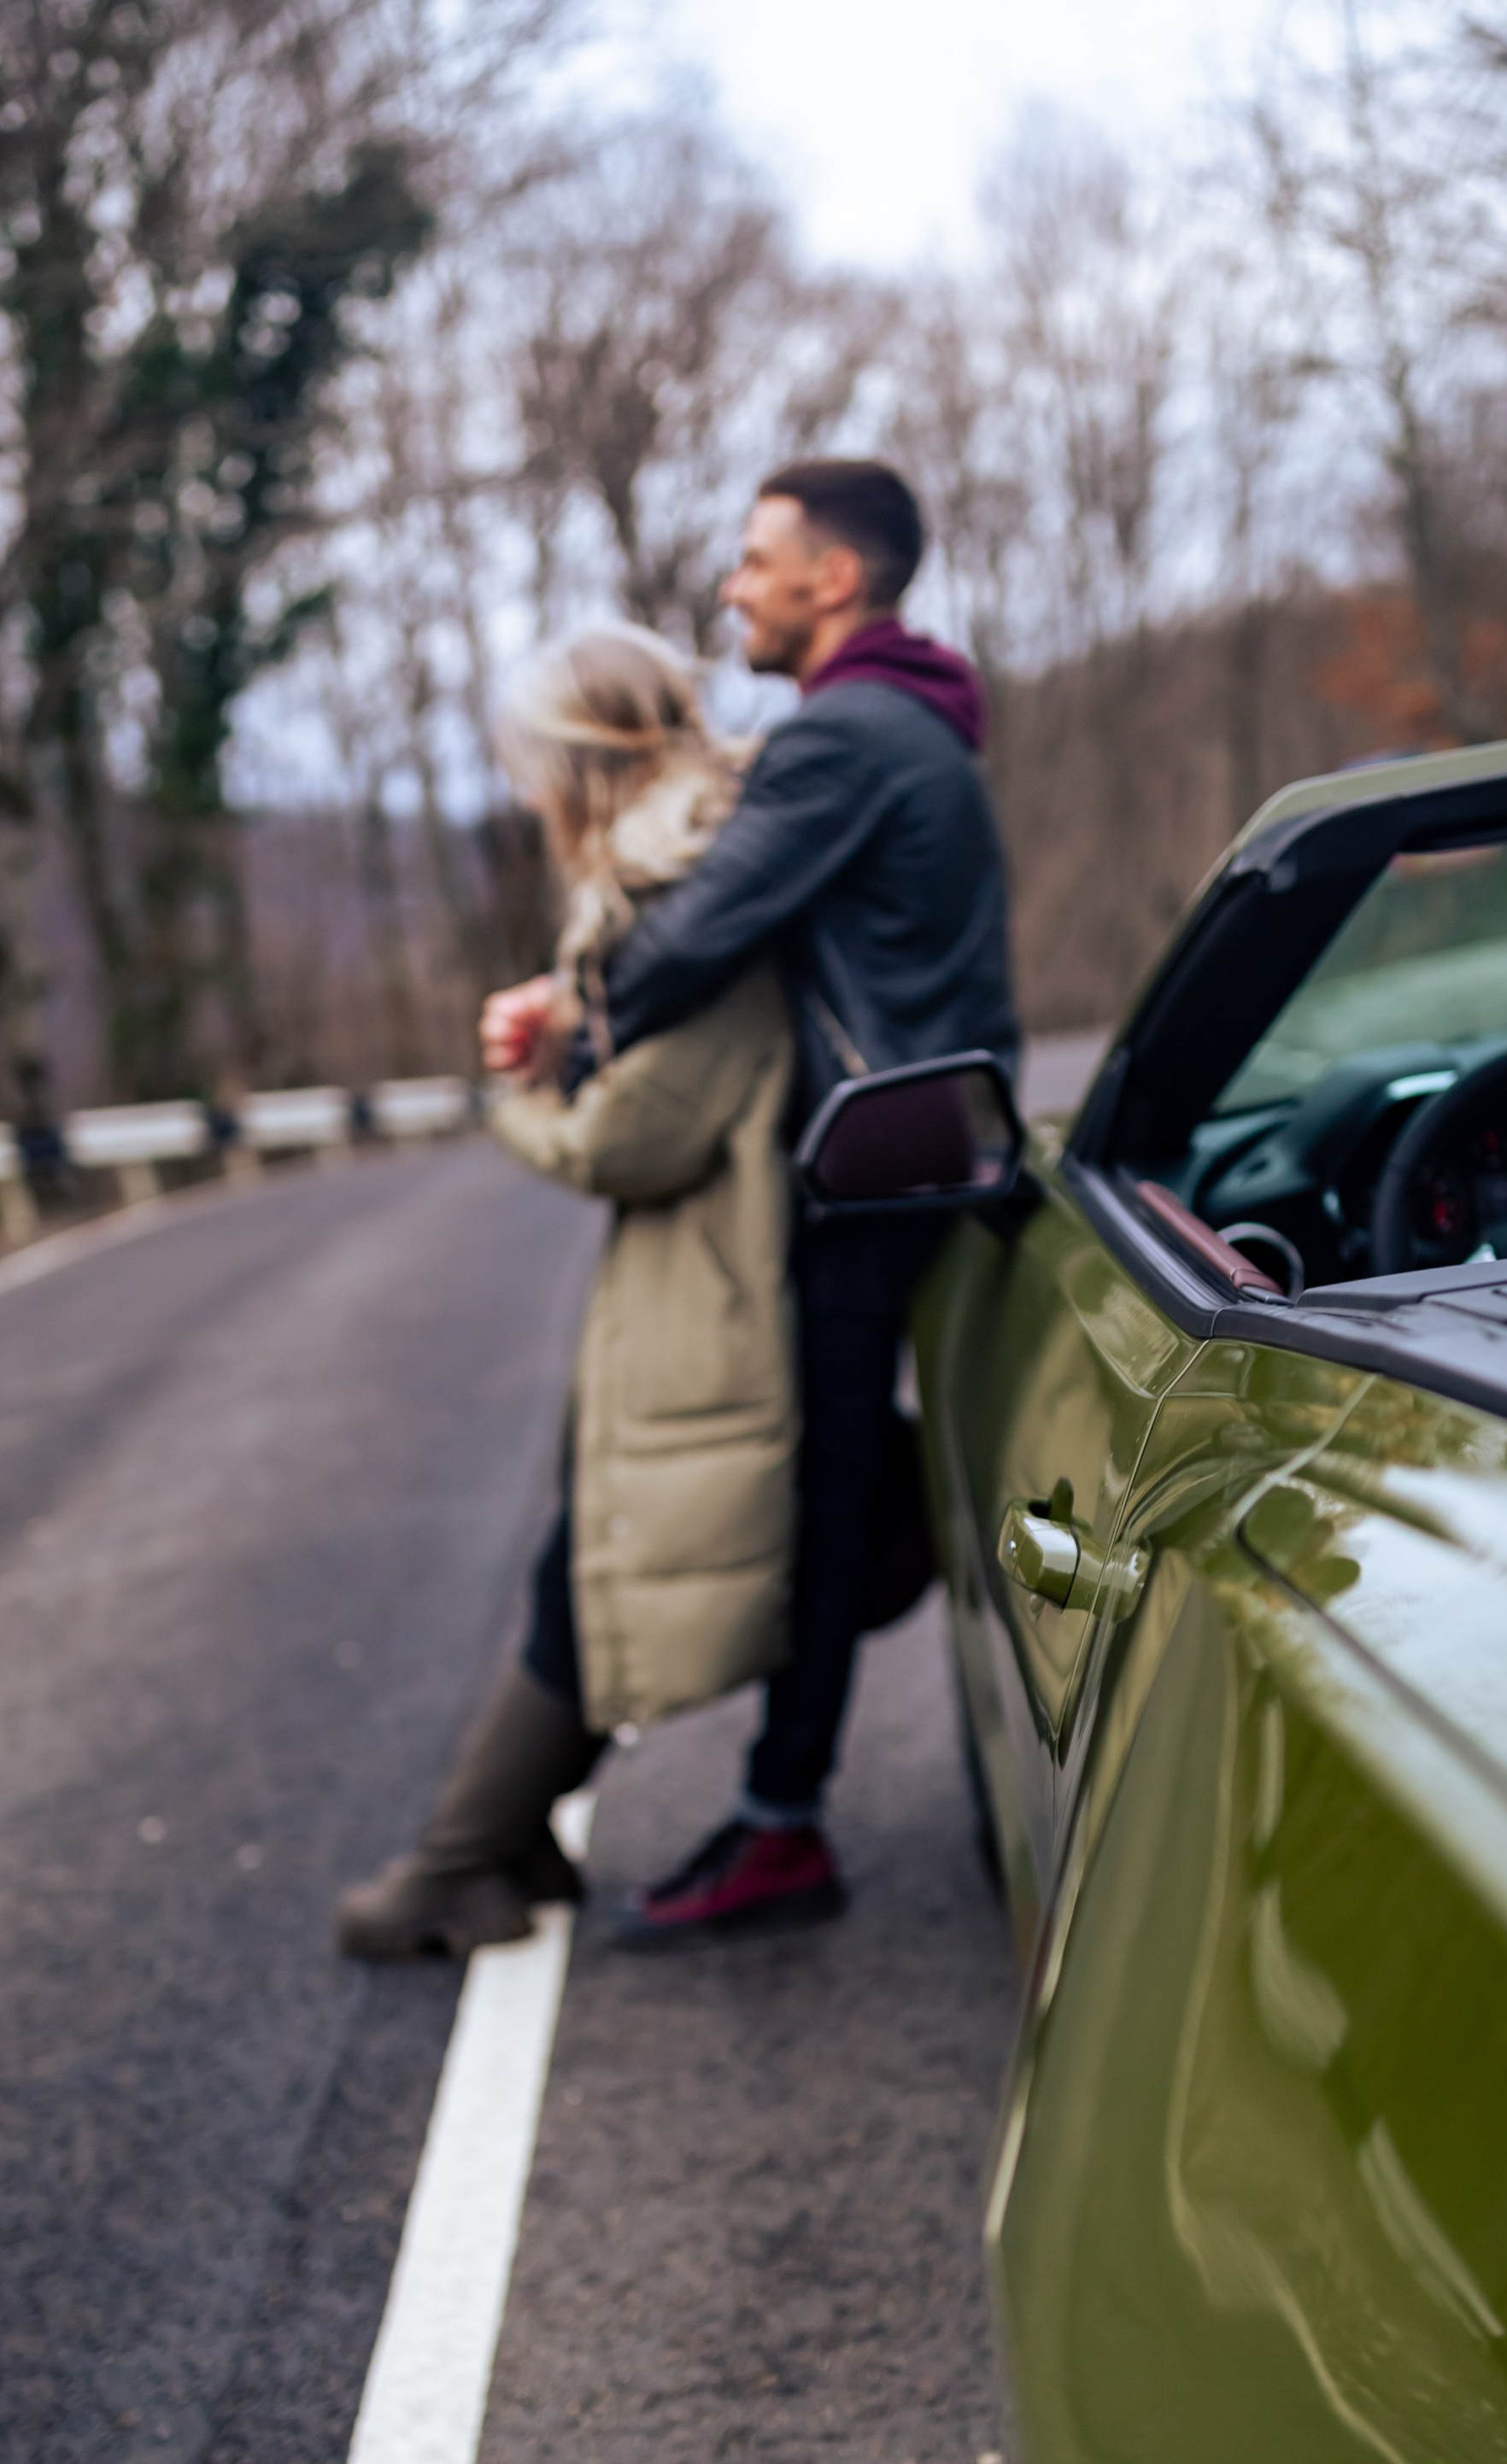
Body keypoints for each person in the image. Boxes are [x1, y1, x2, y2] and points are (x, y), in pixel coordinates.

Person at [481, 457, 1019, 1942]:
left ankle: (784, 1826)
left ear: (832, 580)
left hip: (864, 1164)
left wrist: (560, 1037)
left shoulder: (841, 740)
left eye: (754, 560)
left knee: (827, 1483)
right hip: (923, 1139)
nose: (733, 586)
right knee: (843, 1472)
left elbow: (697, 939)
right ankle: (779, 1802)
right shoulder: (915, 718)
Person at [335, 627, 801, 1962]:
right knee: (596, 1542)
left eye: (537, 770)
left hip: (710, 1273)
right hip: (691, 1275)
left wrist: (523, 1100)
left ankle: (462, 1862)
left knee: (605, 1550)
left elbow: (632, 1140)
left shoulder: (683, 891)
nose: (530, 800)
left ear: (586, 766)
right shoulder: (676, 881)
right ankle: (503, 1835)